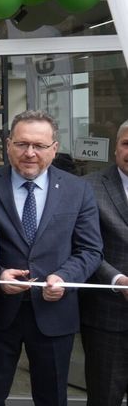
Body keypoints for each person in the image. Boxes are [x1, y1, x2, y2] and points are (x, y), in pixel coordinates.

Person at [0, 110, 102, 406]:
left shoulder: (77, 190)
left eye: (40, 146)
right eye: (21, 144)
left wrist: (65, 277)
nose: (30, 153)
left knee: (52, 397)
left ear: (54, 149)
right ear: (8, 145)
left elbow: (90, 250)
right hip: (0, 311)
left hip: (55, 311)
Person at [81, 119, 128, 406]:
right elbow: (85, 248)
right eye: (126, 143)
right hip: (108, 317)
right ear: (115, 149)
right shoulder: (89, 187)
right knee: (104, 398)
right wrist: (117, 280)